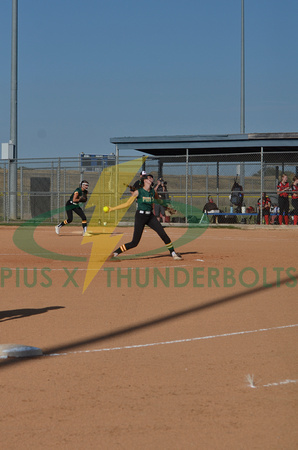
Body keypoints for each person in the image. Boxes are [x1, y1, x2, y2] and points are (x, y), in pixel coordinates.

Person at [105, 175, 182, 260]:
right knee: (135, 242)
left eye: (151, 178)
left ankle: (173, 253)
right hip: (140, 217)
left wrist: (167, 207)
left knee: (163, 234)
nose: (151, 179)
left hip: (150, 217)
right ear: (144, 181)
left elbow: (158, 201)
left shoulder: (153, 191)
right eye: (149, 178)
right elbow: (126, 204)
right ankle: (115, 253)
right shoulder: (138, 192)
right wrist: (112, 208)